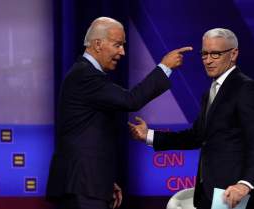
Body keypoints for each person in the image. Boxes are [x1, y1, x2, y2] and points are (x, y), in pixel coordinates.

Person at [46, 16, 192, 209]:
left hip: (88, 184)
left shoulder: (86, 74)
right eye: (118, 45)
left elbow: (89, 130)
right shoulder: (85, 75)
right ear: (98, 44)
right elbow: (131, 100)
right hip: (81, 186)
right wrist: (165, 67)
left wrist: (104, 182)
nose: (122, 52)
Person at [129, 28, 254, 209]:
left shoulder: (245, 88)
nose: (208, 61)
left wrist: (245, 184)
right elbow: (197, 136)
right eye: (204, 54)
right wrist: (149, 135)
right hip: (208, 192)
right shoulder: (210, 92)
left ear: (233, 54)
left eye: (215, 54)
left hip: (233, 194)